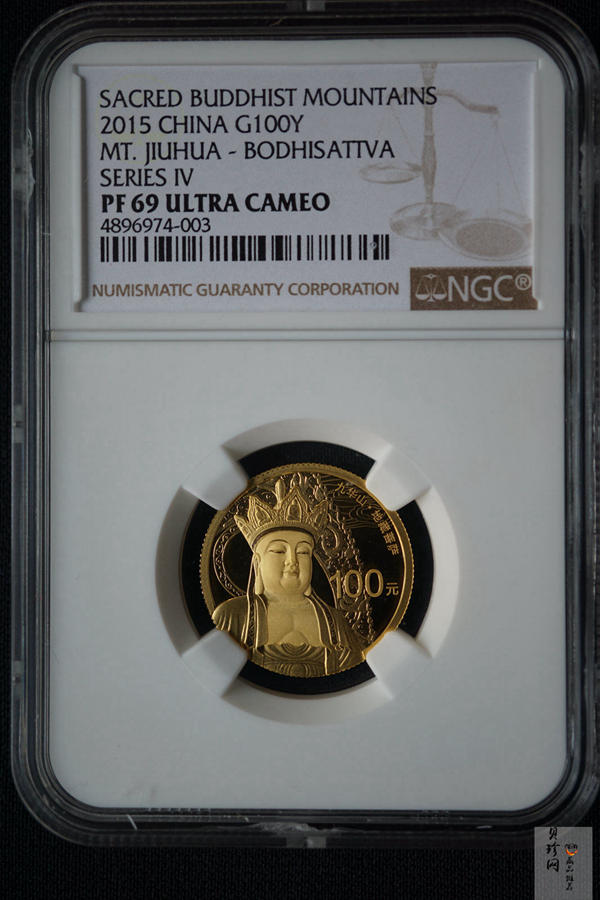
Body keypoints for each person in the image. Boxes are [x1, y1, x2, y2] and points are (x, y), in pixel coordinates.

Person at [212, 477, 364, 677]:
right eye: (278, 551)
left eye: (303, 552)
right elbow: (214, 668)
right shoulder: (233, 615)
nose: (292, 560)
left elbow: (353, 673)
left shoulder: (336, 624)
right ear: (257, 562)